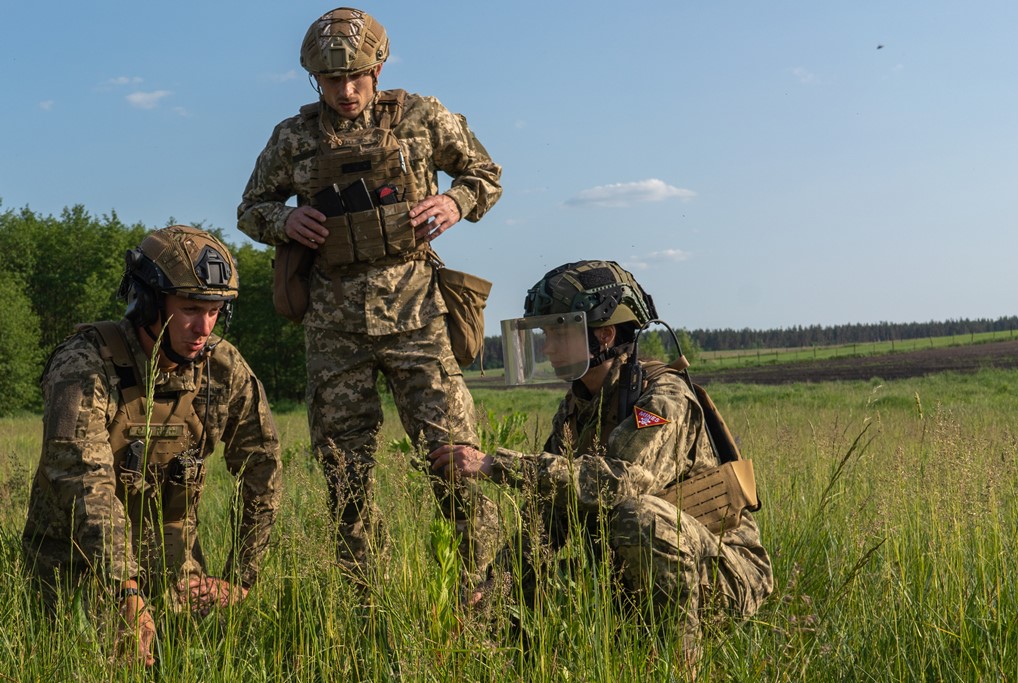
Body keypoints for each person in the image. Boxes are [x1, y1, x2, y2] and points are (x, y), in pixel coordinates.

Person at [237, 7, 503, 591]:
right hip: (334, 328)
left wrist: (455, 202)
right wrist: (285, 220)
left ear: (379, 66)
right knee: (344, 474)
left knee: (456, 462)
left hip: (417, 318)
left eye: (357, 75)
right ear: (314, 79)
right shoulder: (293, 138)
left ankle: (484, 595)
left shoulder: (422, 117)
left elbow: (486, 174)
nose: (346, 89)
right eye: (332, 80)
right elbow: (250, 208)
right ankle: (371, 603)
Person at [429, 260, 773, 658]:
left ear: (605, 335)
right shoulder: (579, 405)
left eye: (559, 332)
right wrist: (494, 586)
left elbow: (623, 481)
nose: (547, 347)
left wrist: (497, 464)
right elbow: (549, 514)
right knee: (545, 576)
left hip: (724, 573)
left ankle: (677, 665)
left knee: (639, 516)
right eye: (545, 333)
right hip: (636, 570)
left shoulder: (662, 398)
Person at [22, 226, 283, 668]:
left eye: (215, 311)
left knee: (209, 660)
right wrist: (128, 590)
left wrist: (242, 579)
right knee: (93, 659)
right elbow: (85, 483)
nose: (203, 328)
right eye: (190, 309)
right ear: (147, 301)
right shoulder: (84, 364)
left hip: (173, 564)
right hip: (76, 565)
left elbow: (263, 468)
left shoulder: (222, 368)